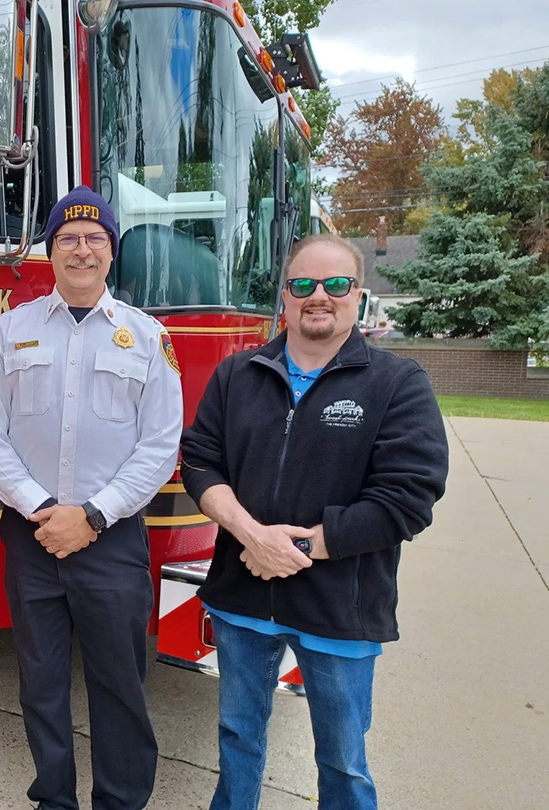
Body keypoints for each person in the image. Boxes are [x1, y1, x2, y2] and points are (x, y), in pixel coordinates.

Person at [180, 233, 449, 809]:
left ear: (359, 296)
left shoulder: (397, 384)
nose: (318, 296)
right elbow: (200, 462)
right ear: (285, 296)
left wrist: (300, 547)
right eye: (303, 285)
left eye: (335, 284)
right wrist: (253, 536)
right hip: (242, 599)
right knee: (236, 738)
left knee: (344, 761)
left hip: (340, 607)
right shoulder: (237, 375)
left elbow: (409, 497)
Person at [0, 186, 184, 810]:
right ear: (50, 250)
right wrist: (44, 511)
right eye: (68, 238)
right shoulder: (9, 332)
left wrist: (91, 516)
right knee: (40, 682)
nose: (81, 250)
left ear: (111, 252)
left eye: (94, 239)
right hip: (32, 536)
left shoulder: (146, 338)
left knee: (120, 684)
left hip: (111, 539)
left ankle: (120, 801)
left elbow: (159, 445)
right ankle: (54, 799)